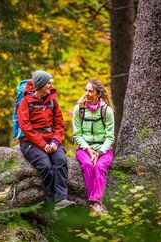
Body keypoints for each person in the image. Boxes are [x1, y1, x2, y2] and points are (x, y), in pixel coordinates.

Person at [17, 70, 75, 211]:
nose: (51, 85)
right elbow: (26, 128)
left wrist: (55, 142)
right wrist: (43, 145)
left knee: (61, 161)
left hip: (51, 141)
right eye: (49, 82)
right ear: (41, 84)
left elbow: (59, 123)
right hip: (30, 143)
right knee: (46, 166)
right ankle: (50, 201)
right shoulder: (25, 102)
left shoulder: (52, 101)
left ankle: (61, 200)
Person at [72, 79, 115, 216]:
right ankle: (96, 204)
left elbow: (110, 137)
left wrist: (99, 152)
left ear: (98, 94)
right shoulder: (79, 109)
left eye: (90, 91)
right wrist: (89, 150)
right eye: (86, 90)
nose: (86, 93)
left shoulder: (106, 111)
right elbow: (77, 134)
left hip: (104, 150)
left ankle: (96, 202)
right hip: (84, 149)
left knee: (100, 167)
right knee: (87, 164)